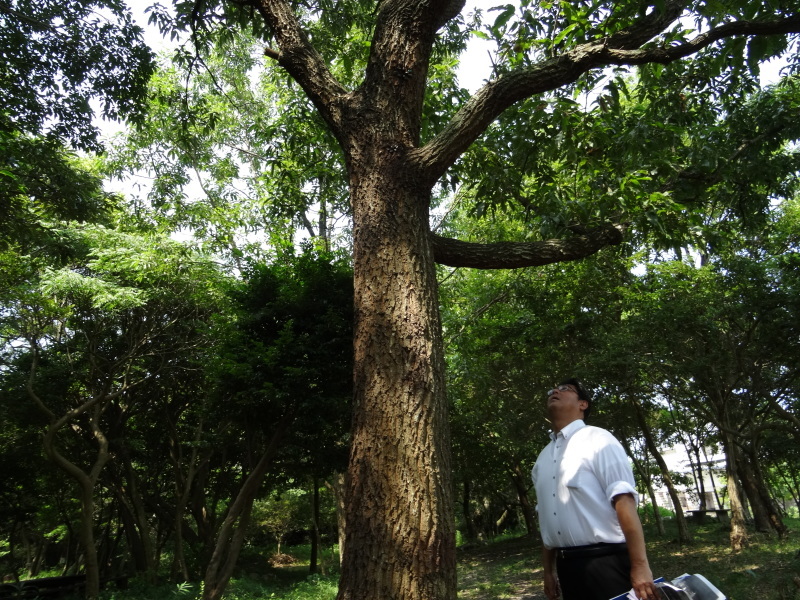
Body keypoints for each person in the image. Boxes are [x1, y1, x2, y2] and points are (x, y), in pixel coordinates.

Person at [531, 378, 660, 600]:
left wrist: (640, 566)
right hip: (567, 568)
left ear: (583, 404)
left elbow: (624, 502)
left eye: (565, 389)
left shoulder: (599, 439)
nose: (554, 391)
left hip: (607, 562)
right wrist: (548, 571)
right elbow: (547, 519)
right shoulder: (542, 459)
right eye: (551, 390)